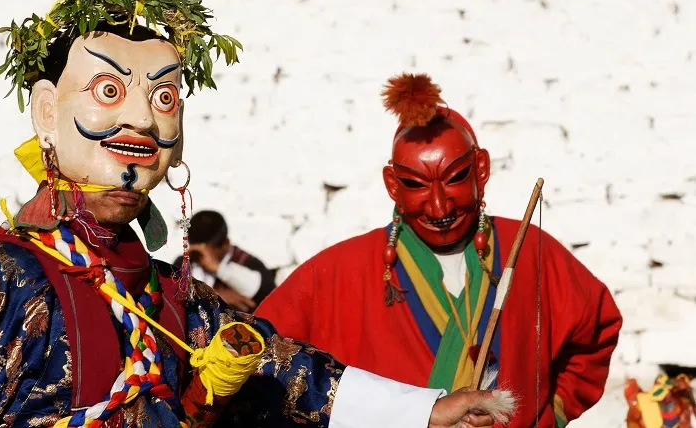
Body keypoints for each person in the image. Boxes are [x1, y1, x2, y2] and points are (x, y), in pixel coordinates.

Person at [0, 0, 508, 428]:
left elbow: (290, 372)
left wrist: (424, 411)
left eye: (163, 96)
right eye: (108, 92)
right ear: (48, 112)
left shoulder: (176, 302)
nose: (140, 119)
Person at [256, 72, 624, 426]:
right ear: (392, 185)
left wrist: (550, 413)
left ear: (481, 169)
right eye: (416, 184)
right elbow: (263, 355)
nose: (439, 207)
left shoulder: (529, 250)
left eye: (455, 179)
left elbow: (595, 330)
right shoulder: (339, 272)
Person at [171, 210, 276, 312]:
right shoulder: (182, 264)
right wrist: (212, 297)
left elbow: (266, 291)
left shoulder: (248, 262)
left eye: (205, 249)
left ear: (226, 244)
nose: (200, 254)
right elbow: (171, 296)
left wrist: (218, 268)